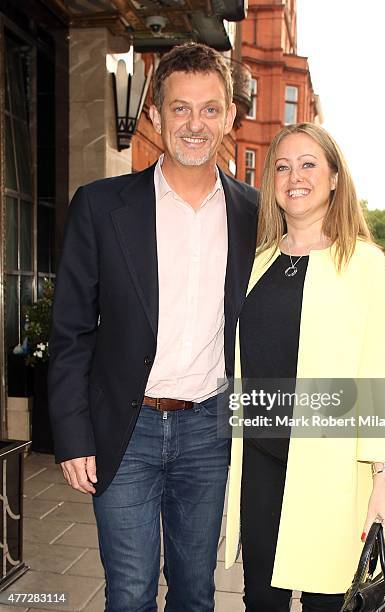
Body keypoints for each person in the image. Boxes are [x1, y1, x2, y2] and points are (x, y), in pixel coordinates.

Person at [48, 43, 258, 611]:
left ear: (230, 118)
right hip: (126, 428)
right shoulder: (99, 205)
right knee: (131, 591)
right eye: (181, 108)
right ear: (156, 115)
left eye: (210, 109)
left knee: (195, 593)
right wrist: (72, 434)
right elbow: (71, 329)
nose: (195, 124)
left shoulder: (255, 215)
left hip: (210, 433)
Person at [224, 123, 385, 611]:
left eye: (308, 164)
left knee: (327, 600)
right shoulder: (257, 260)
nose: (294, 176)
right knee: (261, 598)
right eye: (282, 166)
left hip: (334, 469)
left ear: (333, 179)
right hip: (261, 464)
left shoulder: (365, 264)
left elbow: (382, 378)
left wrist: (382, 484)